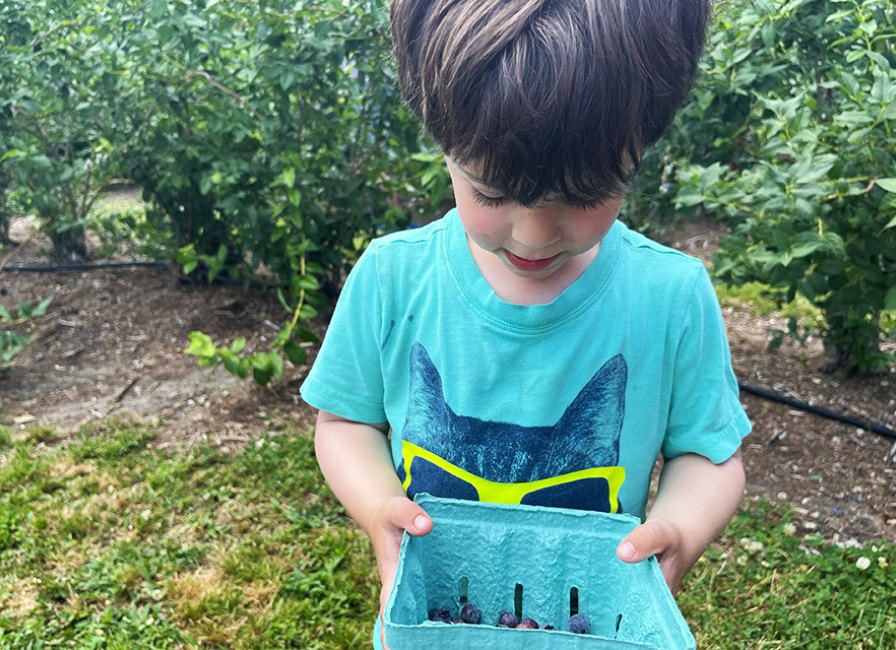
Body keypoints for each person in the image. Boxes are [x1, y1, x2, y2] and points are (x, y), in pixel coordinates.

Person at [300, 1, 751, 647]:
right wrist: (377, 508)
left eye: (586, 193)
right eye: (492, 192)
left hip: (593, 626)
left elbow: (708, 455)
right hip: (435, 627)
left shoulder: (669, 297)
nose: (534, 235)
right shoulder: (391, 279)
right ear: (441, 141)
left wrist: (680, 528)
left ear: (641, 149)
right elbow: (345, 422)